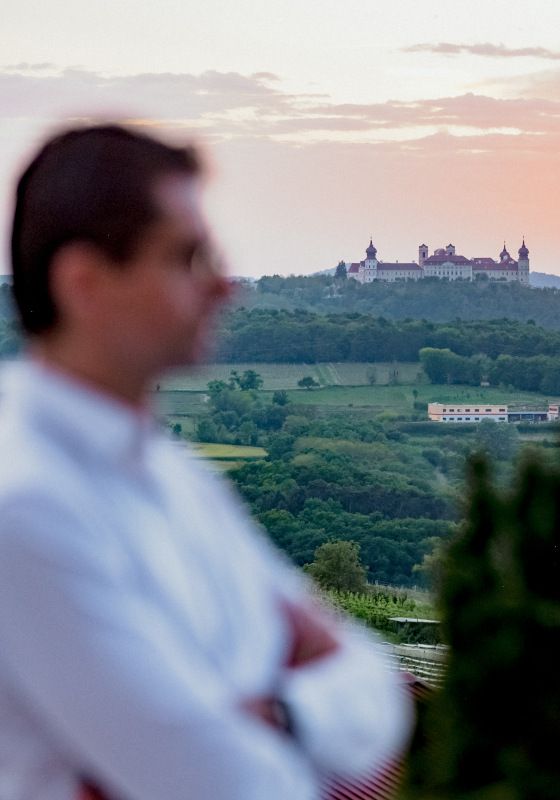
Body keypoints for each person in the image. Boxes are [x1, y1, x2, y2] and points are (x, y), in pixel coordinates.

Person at [0, 124, 408, 799]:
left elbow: (377, 690)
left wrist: (277, 714)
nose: (225, 286)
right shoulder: (25, 508)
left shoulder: (173, 474)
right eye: (186, 258)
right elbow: (235, 790)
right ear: (85, 282)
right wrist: (292, 686)